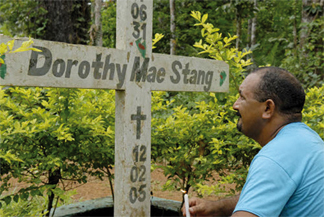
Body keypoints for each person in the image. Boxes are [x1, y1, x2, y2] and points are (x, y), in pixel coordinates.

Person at [182, 67, 324, 217]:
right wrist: (217, 208)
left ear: (268, 108)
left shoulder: (275, 157)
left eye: (242, 97)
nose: (235, 105)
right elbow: (266, 194)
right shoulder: (308, 140)